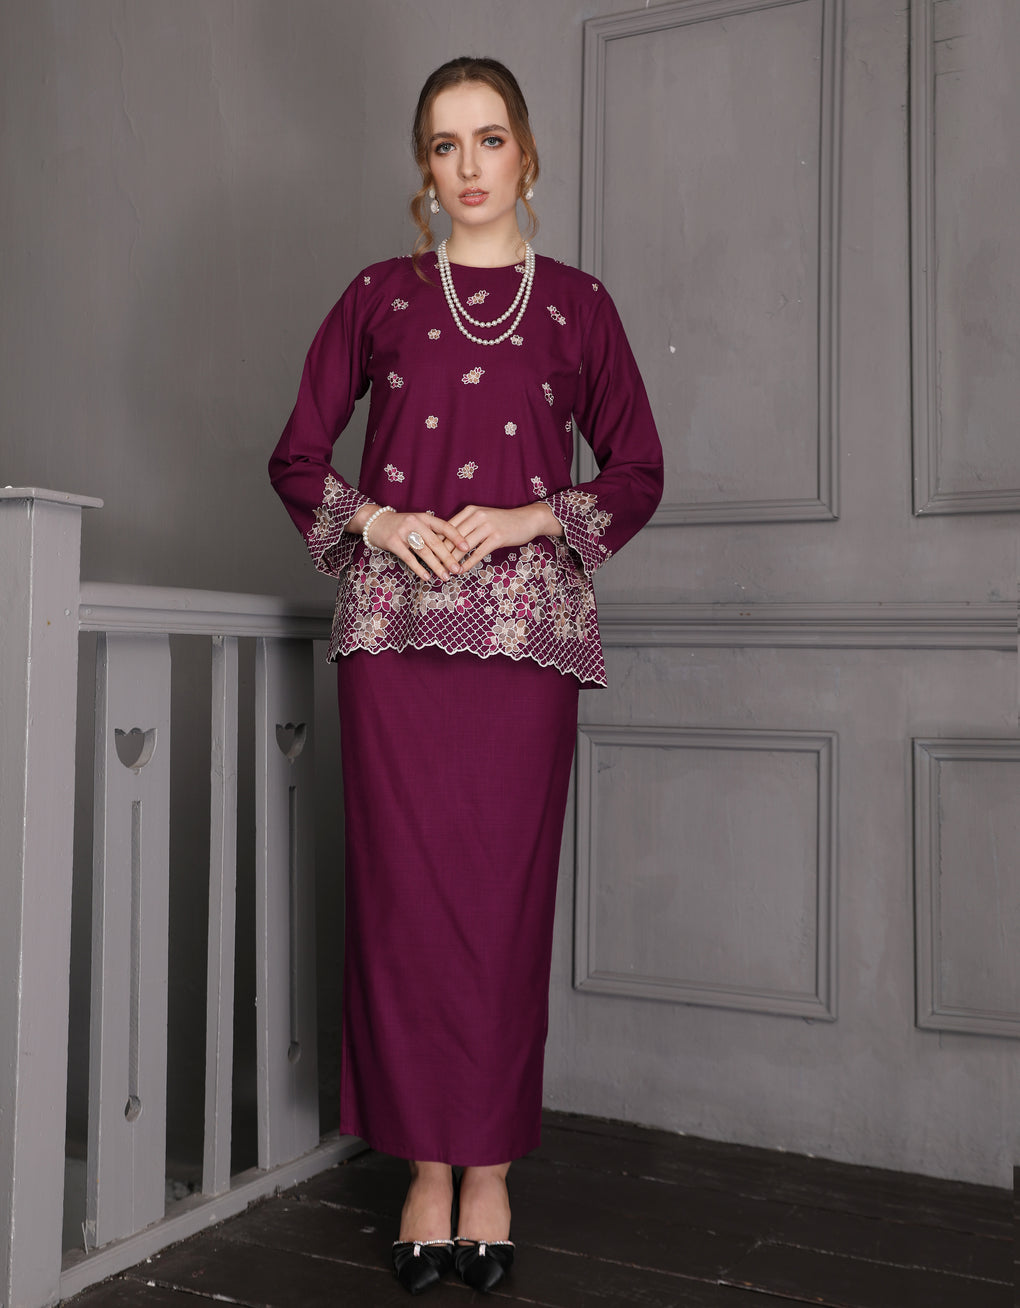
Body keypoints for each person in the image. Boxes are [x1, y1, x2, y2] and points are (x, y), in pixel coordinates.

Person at [269, 55, 663, 1296]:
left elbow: (639, 471)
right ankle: (422, 1171)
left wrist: (531, 515)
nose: (470, 165)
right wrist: (380, 522)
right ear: (424, 170)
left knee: (499, 907)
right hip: (394, 646)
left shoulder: (580, 308)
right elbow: (297, 456)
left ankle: (486, 1166)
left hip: (524, 647)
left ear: (526, 155)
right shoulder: (378, 296)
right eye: (446, 145)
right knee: (403, 906)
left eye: (491, 139)